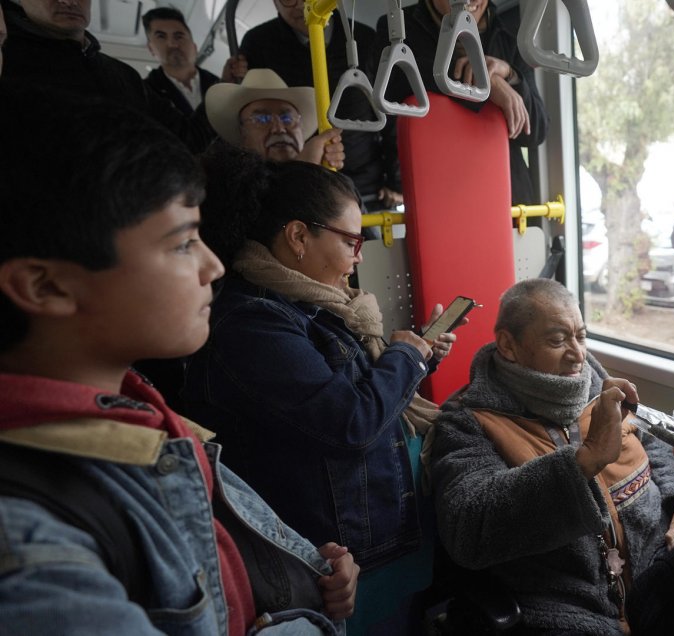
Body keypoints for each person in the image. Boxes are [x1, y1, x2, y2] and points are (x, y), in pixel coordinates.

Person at [0, 85, 359, 634]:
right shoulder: (32, 551)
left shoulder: (149, 419)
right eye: (183, 243)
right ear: (45, 285)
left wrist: (304, 572)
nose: (213, 267)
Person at [181, 145, 459, 634]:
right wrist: (405, 357)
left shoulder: (318, 304)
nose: (358, 255)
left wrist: (416, 354)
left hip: (382, 532)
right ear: (297, 236)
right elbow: (349, 421)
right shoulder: (252, 323)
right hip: (344, 557)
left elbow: (358, 391)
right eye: (351, 240)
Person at [430, 278, 674, 635]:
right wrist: (583, 462)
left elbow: (661, 452)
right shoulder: (468, 420)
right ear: (508, 345)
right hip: (565, 605)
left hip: (657, 578)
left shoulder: (599, 388)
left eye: (581, 336)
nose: (577, 353)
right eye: (558, 340)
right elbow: (468, 527)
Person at [375, 0, 547, 205]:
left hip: (509, 200)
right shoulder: (398, 28)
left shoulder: (511, 34)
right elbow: (399, 84)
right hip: (441, 195)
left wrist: (511, 76)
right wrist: (487, 81)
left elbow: (535, 132)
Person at [241, 0, 402, 208]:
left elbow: (390, 111)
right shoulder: (258, 43)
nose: (300, 5)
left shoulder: (364, 39)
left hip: (366, 184)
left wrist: (397, 180)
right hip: (299, 187)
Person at [0, 0, 213, 152]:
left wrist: (226, 90)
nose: (68, 1)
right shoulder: (7, 64)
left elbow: (189, 138)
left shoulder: (124, 75)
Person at [206, 68, 346, 169]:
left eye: (287, 118)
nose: (279, 129)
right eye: (262, 119)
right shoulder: (230, 188)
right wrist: (305, 170)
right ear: (243, 134)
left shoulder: (326, 175)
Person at [142, 7, 223, 116]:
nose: (172, 44)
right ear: (151, 49)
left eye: (178, 36)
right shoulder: (146, 93)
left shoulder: (218, 84)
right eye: (161, 37)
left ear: (194, 46)